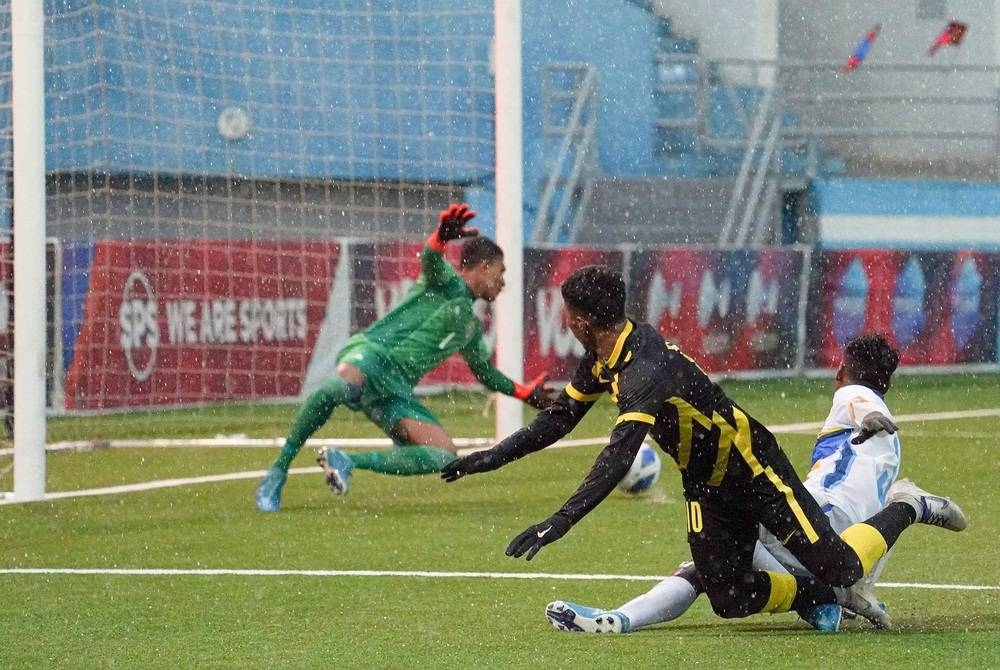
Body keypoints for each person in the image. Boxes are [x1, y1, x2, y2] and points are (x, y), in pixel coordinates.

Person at [441, 266, 967, 628]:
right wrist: (481, 461)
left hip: (757, 474)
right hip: (708, 486)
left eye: (568, 315)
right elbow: (556, 421)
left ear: (579, 321)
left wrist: (561, 519)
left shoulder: (644, 370)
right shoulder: (606, 355)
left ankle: (909, 505)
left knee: (844, 565)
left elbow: (616, 458)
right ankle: (825, 598)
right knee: (730, 597)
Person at [545, 332, 907, 634]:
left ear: (841, 369)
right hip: (845, 550)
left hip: (820, 526)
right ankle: (824, 597)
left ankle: (622, 618)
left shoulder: (851, 395)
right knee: (724, 566)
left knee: (711, 565)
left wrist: (870, 412)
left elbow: (858, 399)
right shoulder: (889, 449)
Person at [255, 203, 556, 512]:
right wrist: (440, 237)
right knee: (334, 390)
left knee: (444, 455)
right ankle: (278, 471)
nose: (503, 283)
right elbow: (430, 257)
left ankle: (345, 460)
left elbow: (485, 374)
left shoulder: (470, 329)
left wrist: (523, 392)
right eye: (501, 272)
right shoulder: (445, 281)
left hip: (394, 390)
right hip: (371, 354)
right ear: (483, 267)